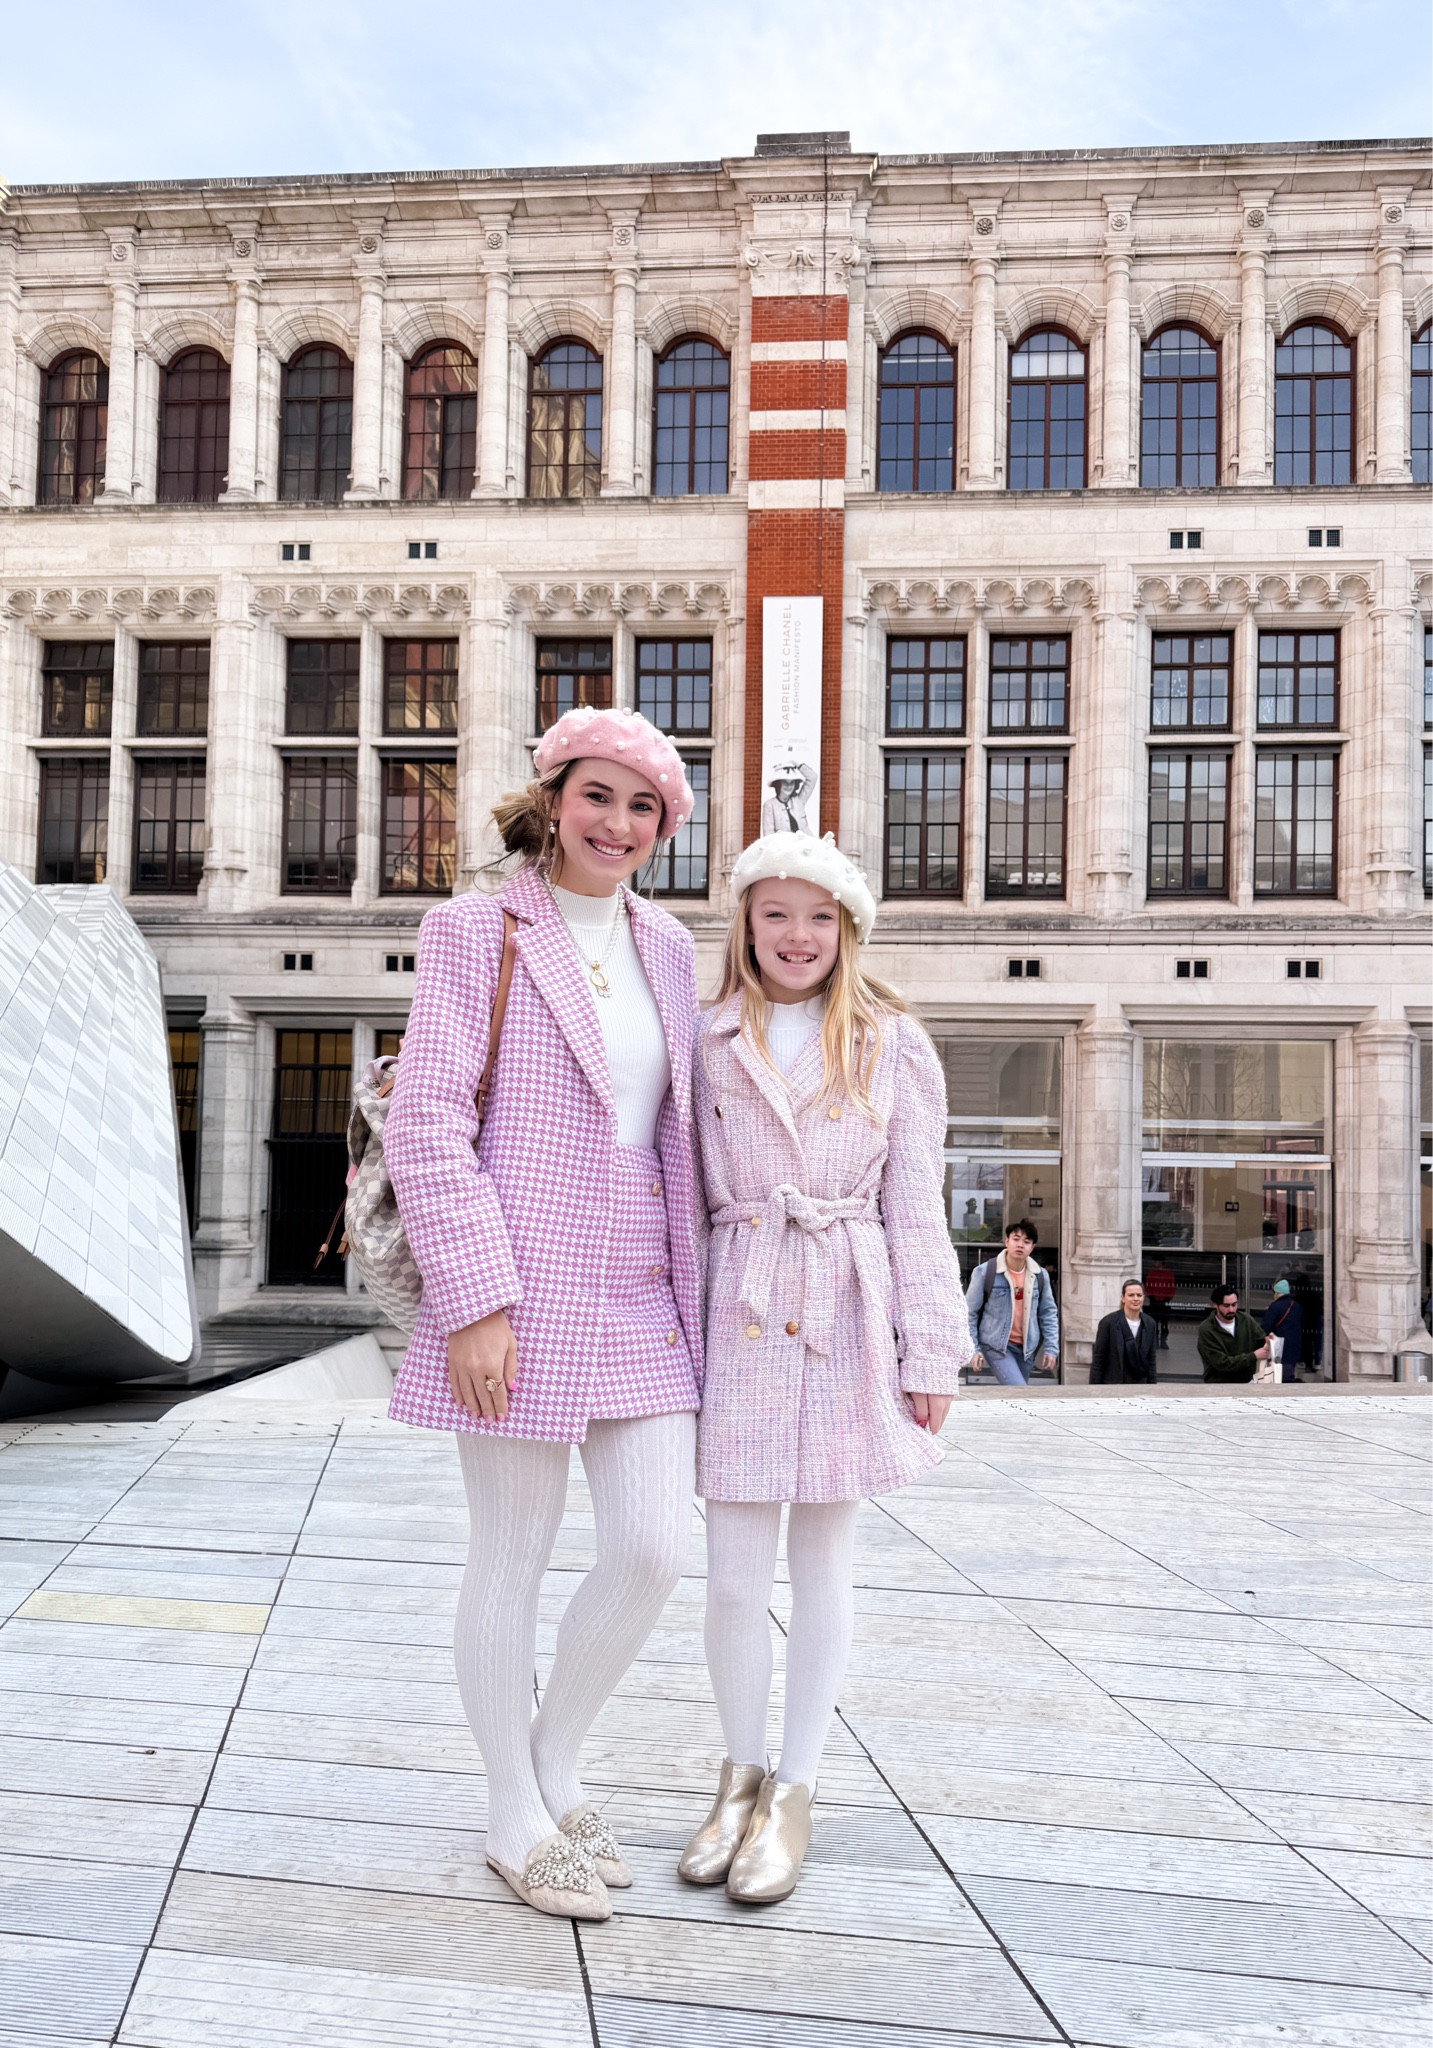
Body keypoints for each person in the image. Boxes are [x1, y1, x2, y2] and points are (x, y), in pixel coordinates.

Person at [383, 706, 702, 1925]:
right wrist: (475, 1300)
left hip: (644, 1293)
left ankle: (553, 1756)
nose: (615, 823)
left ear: (663, 824)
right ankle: (512, 1806)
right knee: (508, 1554)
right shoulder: (476, 929)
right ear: (552, 797)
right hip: (518, 1283)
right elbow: (427, 1124)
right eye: (596, 795)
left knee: (651, 1547)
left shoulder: (672, 947)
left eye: (642, 805)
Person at [680, 830, 970, 1906]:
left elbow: (915, 1205)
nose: (794, 936)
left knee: (824, 1569)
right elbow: (684, 1198)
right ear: (745, 924)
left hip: (849, 1308)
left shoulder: (890, 1042)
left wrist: (930, 1344)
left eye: (815, 916)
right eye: (773, 914)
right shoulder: (705, 1037)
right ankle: (737, 1770)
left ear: (845, 929)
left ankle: (795, 1788)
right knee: (731, 1576)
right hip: (742, 1302)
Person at [966, 1220, 1060, 1385]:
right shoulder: (985, 1272)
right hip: (997, 1346)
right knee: (1018, 1390)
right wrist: (974, 1349)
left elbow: (1048, 1313)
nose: (1020, 1245)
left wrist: (1051, 1348)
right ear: (1006, 1241)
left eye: (1026, 1242)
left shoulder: (1040, 1275)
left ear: (1032, 1247)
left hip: (1027, 1349)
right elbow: (969, 1313)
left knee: (1016, 1398)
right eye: (1016, 1239)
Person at [1196, 1283, 1270, 1383]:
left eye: (1234, 1305)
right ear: (1215, 1305)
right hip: (1219, 1385)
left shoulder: (1246, 1320)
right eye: (1226, 1306)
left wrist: (1269, 1343)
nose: (1231, 1309)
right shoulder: (1206, 1329)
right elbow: (1221, 1363)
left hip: (1247, 1382)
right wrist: (1253, 1356)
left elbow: (1261, 1342)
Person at [1091, 1280, 1159, 1385]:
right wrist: (1094, 1390)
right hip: (1113, 1386)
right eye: (1131, 1295)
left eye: (1139, 1295)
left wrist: (1152, 1388)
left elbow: (1151, 1360)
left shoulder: (1150, 1324)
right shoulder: (1108, 1323)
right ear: (1123, 1298)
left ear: (1143, 1297)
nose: (1135, 1299)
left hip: (1140, 1387)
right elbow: (1098, 1361)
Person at [1261, 1277, 1304, 1383]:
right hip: (1294, 1344)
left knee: (1281, 1373)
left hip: (1279, 1344)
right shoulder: (1297, 1306)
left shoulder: (1276, 1306)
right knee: (1289, 1369)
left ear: (1277, 1292)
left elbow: (1266, 1325)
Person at [761, 758, 816, 835]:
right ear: (778, 784)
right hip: (783, 846)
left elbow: (812, 777)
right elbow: (768, 836)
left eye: (792, 783)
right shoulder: (769, 805)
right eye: (784, 782)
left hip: (806, 844)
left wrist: (797, 764)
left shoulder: (799, 800)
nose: (788, 786)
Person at [1143, 1258, 1175, 1349]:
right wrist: (1151, 1296)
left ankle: (1163, 1340)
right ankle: (1156, 1340)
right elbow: (1148, 1286)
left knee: (1164, 1322)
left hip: (1163, 1300)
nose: (1153, 1262)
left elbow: (1171, 1287)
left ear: (1161, 1262)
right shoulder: (1152, 1273)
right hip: (1155, 1300)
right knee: (1155, 1322)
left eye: (1156, 1260)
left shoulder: (1168, 1274)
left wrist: (1168, 1297)